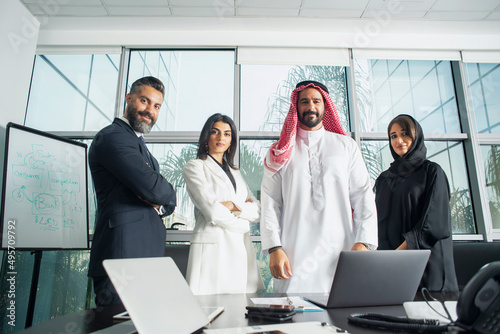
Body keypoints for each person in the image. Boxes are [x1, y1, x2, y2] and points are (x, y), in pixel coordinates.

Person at [260, 80, 378, 294]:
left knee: (341, 319)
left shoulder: (346, 146)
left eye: (316, 101)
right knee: (293, 324)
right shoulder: (280, 152)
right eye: (304, 101)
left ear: (326, 106)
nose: (311, 106)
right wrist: (274, 248)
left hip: (340, 255)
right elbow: (270, 202)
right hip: (293, 256)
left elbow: (363, 196)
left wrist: (363, 242)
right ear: (296, 107)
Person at [88, 76, 177, 306]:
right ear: (129, 99)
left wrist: (158, 195)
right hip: (121, 258)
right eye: (144, 101)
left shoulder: (142, 148)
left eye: (156, 106)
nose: (150, 111)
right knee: (116, 326)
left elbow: (163, 197)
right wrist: (156, 194)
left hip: (144, 257)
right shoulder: (113, 137)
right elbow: (155, 189)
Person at [374, 114, 458, 291]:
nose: (399, 140)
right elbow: (378, 221)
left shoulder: (432, 172)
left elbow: (434, 223)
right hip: (393, 268)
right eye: (393, 136)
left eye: (405, 134)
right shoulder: (384, 179)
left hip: (428, 268)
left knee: (427, 316)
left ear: (416, 135)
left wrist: (396, 255)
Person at [183, 113, 264, 295]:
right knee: (210, 309)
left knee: (238, 311)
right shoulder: (195, 167)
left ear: (231, 141)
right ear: (206, 138)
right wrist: (244, 221)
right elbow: (212, 211)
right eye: (215, 132)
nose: (221, 138)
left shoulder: (236, 173)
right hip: (213, 249)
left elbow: (258, 210)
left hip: (239, 249)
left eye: (227, 134)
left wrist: (233, 206)